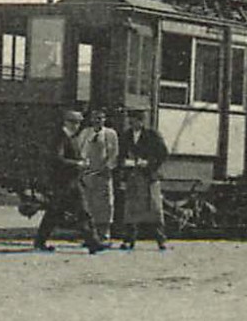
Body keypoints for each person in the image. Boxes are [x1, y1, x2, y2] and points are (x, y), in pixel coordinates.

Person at [32, 108, 106, 253]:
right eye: (73, 122)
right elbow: (57, 159)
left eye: (78, 122)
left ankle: (40, 242)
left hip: (70, 181)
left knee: (57, 213)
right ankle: (93, 243)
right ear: (66, 121)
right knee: (80, 211)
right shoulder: (60, 137)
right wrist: (77, 164)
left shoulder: (71, 137)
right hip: (64, 182)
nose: (76, 125)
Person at [118, 108, 170, 250]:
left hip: (148, 176)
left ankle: (161, 239)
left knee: (154, 208)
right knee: (131, 209)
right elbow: (121, 154)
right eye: (130, 120)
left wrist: (149, 163)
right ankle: (129, 239)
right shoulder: (126, 135)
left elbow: (163, 153)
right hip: (132, 176)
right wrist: (124, 163)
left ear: (141, 121)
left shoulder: (152, 135)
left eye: (135, 119)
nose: (131, 122)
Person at [76, 108, 121, 243]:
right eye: (95, 118)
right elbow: (80, 149)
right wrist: (82, 166)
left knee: (105, 204)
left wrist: (108, 167)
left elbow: (114, 153)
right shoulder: (85, 133)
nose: (98, 121)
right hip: (88, 173)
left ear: (104, 119)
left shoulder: (110, 134)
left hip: (103, 173)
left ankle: (105, 233)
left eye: (101, 118)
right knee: (89, 204)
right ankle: (91, 235)